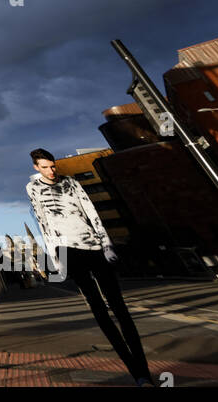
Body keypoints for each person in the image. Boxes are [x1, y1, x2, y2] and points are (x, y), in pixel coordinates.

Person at [26, 147, 154, 386]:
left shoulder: (72, 183)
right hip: (67, 250)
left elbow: (92, 213)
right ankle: (137, 374)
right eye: (45, 167)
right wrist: (55, 256)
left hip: (92, 244)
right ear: (36, 168)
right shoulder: (32, 188)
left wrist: (106, 244)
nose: (51, 171)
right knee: (99, 309)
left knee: (119, 307)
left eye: (53, 166)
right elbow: (43, 221)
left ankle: (143, 371)